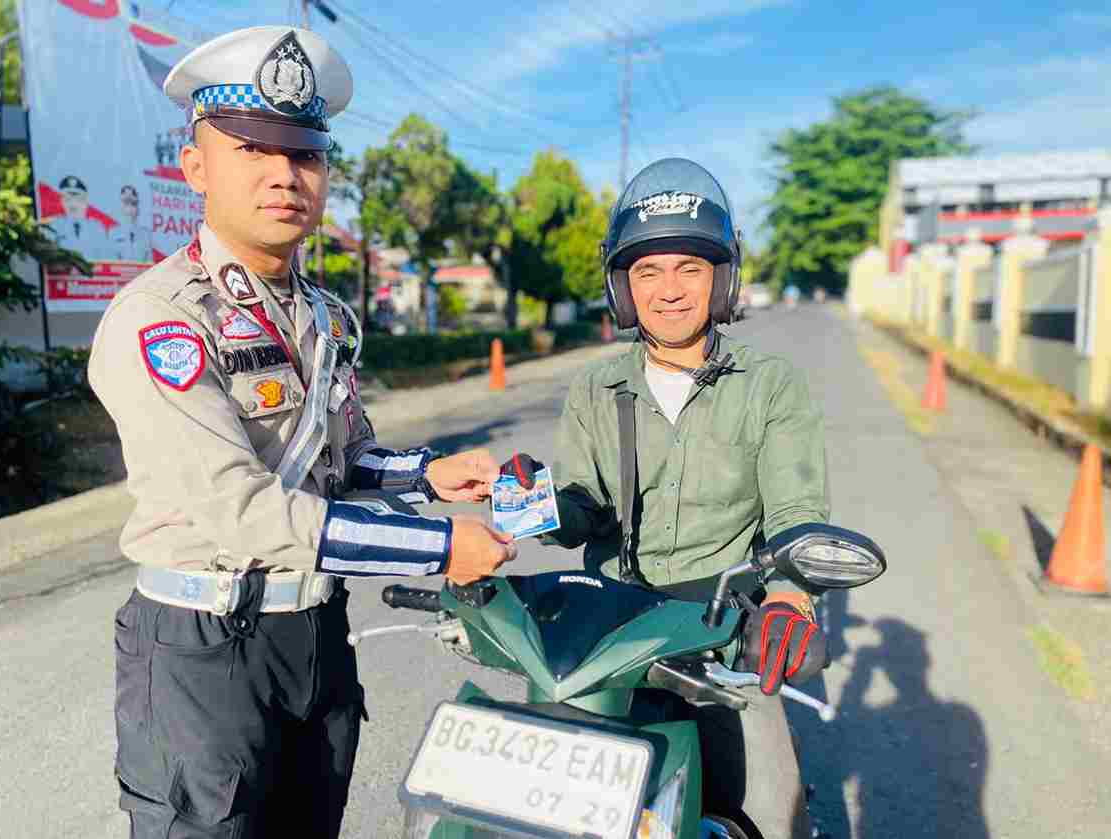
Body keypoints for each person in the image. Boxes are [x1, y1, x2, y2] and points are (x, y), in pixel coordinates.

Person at [89, 26, 519, 837]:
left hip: (316, 633)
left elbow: (342, 458)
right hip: (205, 647)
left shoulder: (325, 315)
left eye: (305, 155)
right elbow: (243, 510)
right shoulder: (159, 318)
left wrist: (428, 475)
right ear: (195, 166)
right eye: (253, 148)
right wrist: (438, 547)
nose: (285, 175)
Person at [509, 158, 830, 837]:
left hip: (720, 624)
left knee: (774, 814)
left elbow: (796, 513)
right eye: (648, 272)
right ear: (623, 288)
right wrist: (537, 504)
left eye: (690, 268)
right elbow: (582, 507)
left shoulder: (769, 384)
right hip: (609, 625)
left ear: (723, 279)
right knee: (545, 811)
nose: (670, 291)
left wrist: (790, 596)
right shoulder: (596, 388)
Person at [48, 174, 109, 261]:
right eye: (67, 199)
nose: (73, 204)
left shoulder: (97, 228)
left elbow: (106, 259)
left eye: (78, 199)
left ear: (86, 201)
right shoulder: (54, 226)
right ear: (62, 202)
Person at [111, 184, 154, 263]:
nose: (130, 208)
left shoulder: (146, 235)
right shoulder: (113, 233)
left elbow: (149, 262)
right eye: (126, 203)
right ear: (120, 207)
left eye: (133, 204)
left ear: (138, 208)